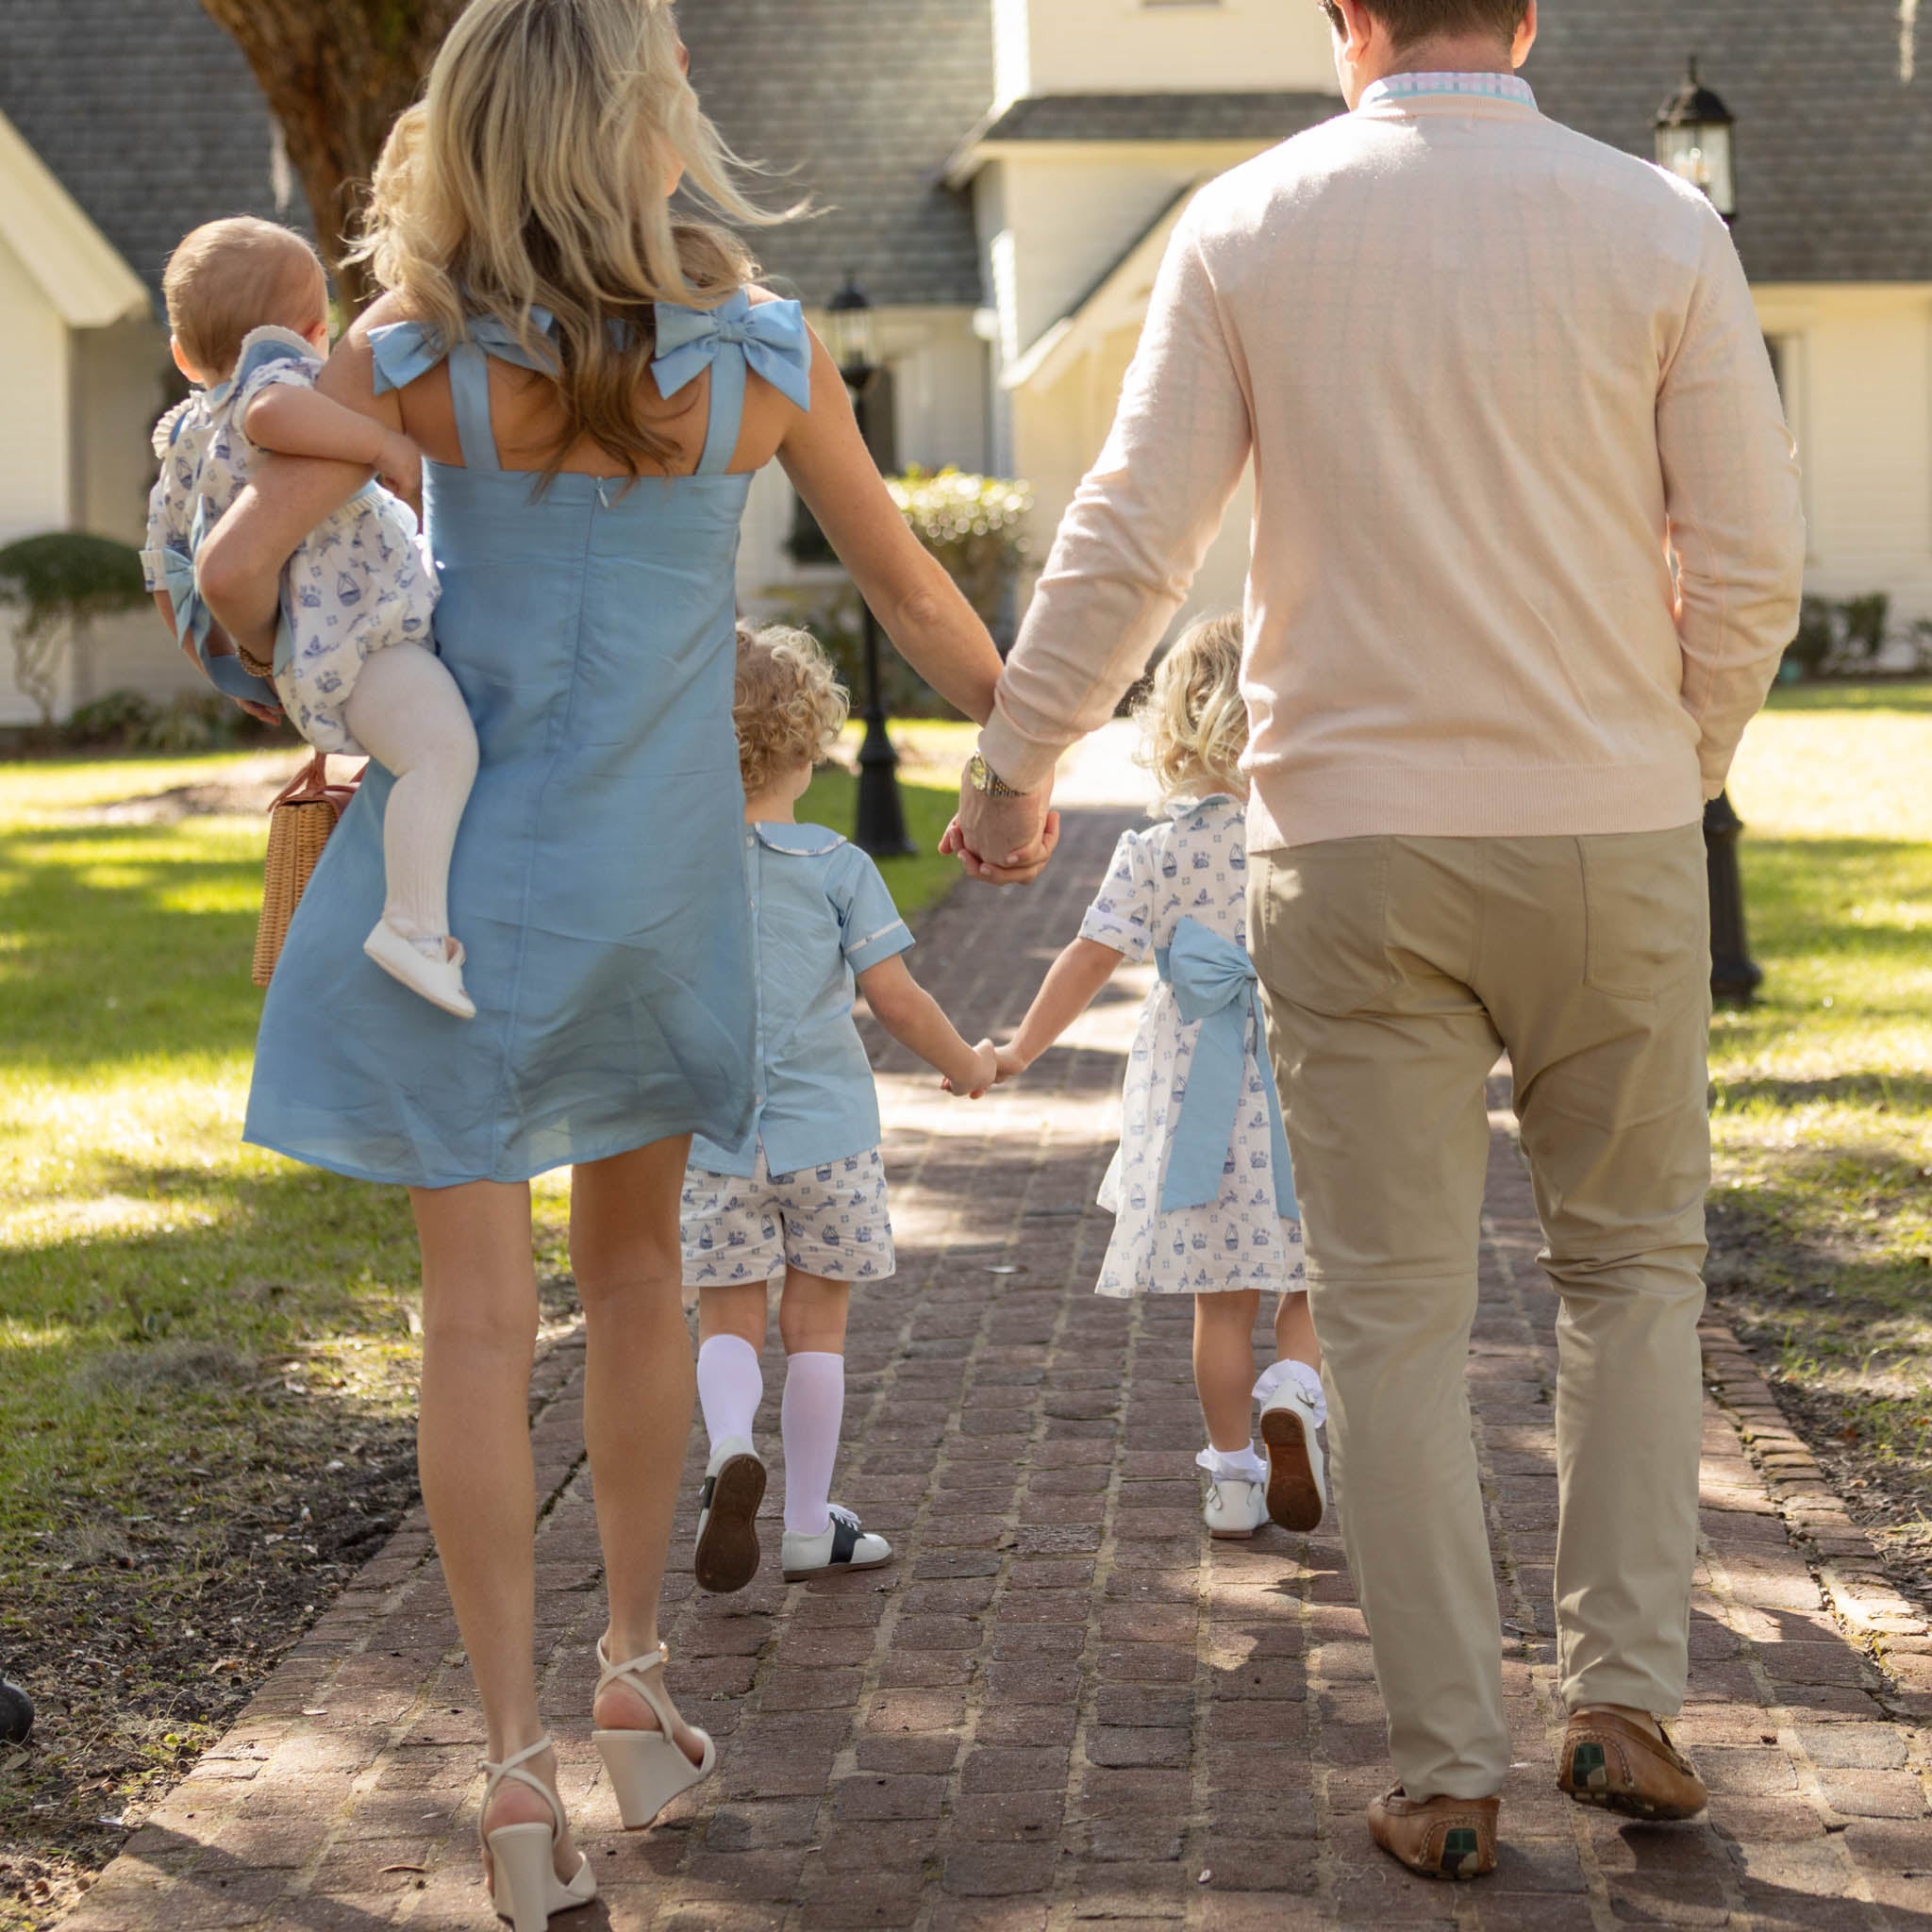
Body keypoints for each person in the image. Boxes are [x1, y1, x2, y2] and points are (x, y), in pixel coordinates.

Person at [946, 0, 1804, 1883]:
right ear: (1527, 15)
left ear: (1344, 19)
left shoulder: (1249, 224)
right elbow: (1746, 561)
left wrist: (1018, 757)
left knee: (1398, 1306)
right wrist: (1677, 762)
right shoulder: (1661, 226)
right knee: (1632, 1268)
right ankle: (1625, 1694)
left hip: (1348, 850)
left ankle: (1443, 1771)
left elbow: (1134, 526)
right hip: (1606, 826)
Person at [193, 2, 1008, 1924]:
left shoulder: (415, 349)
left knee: (475, 1327)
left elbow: (238, 574)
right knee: (639, 1278)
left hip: (457, 891)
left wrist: (295, 669)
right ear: (639, 121)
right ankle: (636, 1680)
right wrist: (1025, 746)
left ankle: (504, 1775)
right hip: (657, 886)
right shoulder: (762, 353)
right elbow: (902, 583)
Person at [989, 615, 1324, 1540]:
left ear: (1171, 722)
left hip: (1200, 1107)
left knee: (1223, 1298)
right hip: (1306, 1081)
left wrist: (1017, 1048)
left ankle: (1228, 1476)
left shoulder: (1156, 848)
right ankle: (1295, 1388)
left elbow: (1088, 956)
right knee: (1319, 1275)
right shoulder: (1309, 834)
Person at [687, 625, 997, 1595]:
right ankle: (808, 1524)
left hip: (711, 1133)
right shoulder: (834, 863)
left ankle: (729, 1442)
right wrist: (968, 1064)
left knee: (726, 1316)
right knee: (816, 1325)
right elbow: (896, 998)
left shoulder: (673, 867)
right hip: (828, 1136)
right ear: (810, 741)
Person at [142, 217, 478, 1017]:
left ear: (183, 356)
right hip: (364, 640)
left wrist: (231, 672)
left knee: (418, 756)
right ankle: (414, 927)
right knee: (441, 753)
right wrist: (382, 444)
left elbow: (166, 573)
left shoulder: (186, 438)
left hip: (311, 649)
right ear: (314, 332)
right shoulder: (283, 376)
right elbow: (272, 415)